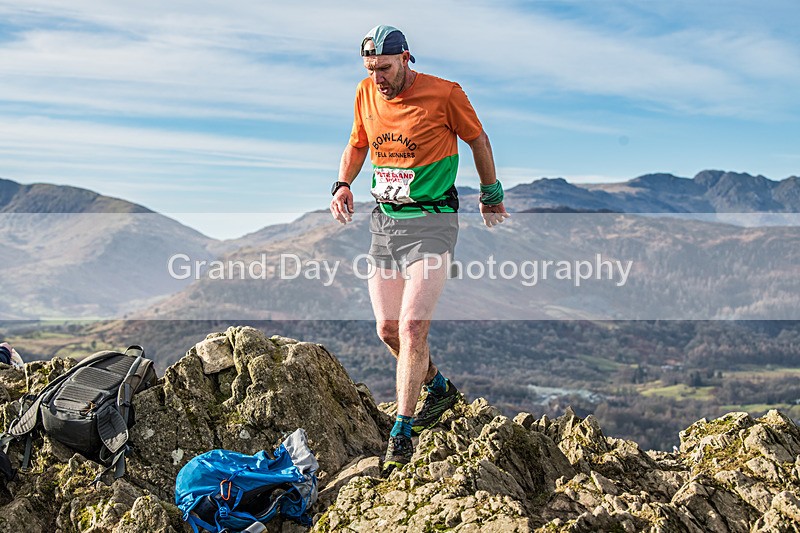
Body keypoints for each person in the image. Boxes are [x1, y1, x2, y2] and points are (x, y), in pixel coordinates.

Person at [329, 24, 509, 474]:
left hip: (433, 221)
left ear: (406, 58)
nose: (379, 79)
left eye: (385, 69)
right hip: (385, 222)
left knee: (412, 328)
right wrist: (343, 183)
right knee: (387, 330)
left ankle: (402, 432)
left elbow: (478, 140)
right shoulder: (366, 93)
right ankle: (439, 387)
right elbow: (357, 143)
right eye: (371, 69)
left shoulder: (446, 94)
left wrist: (491, 194)